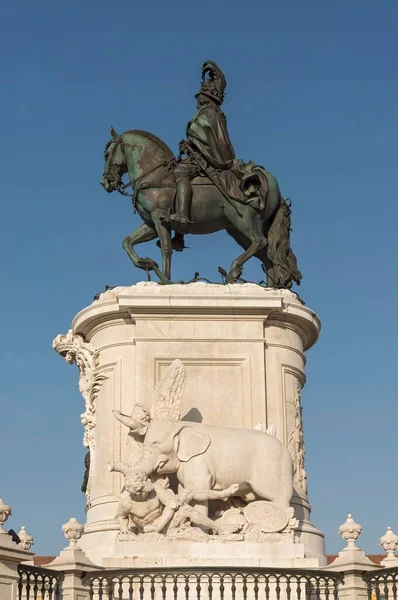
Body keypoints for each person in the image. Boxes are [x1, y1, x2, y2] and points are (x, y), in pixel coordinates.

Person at [166, 60, 235, 232]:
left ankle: (182, 214)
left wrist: (192, 143)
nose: (198, 98)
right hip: (197, 155)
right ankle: (178, 234)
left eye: (200, 96)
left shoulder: (209, 113)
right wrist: (189, 143)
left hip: (205, 159)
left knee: (180, 172)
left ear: (208, 98)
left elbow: (206, 138)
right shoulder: (206, 113)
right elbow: (203, 136)